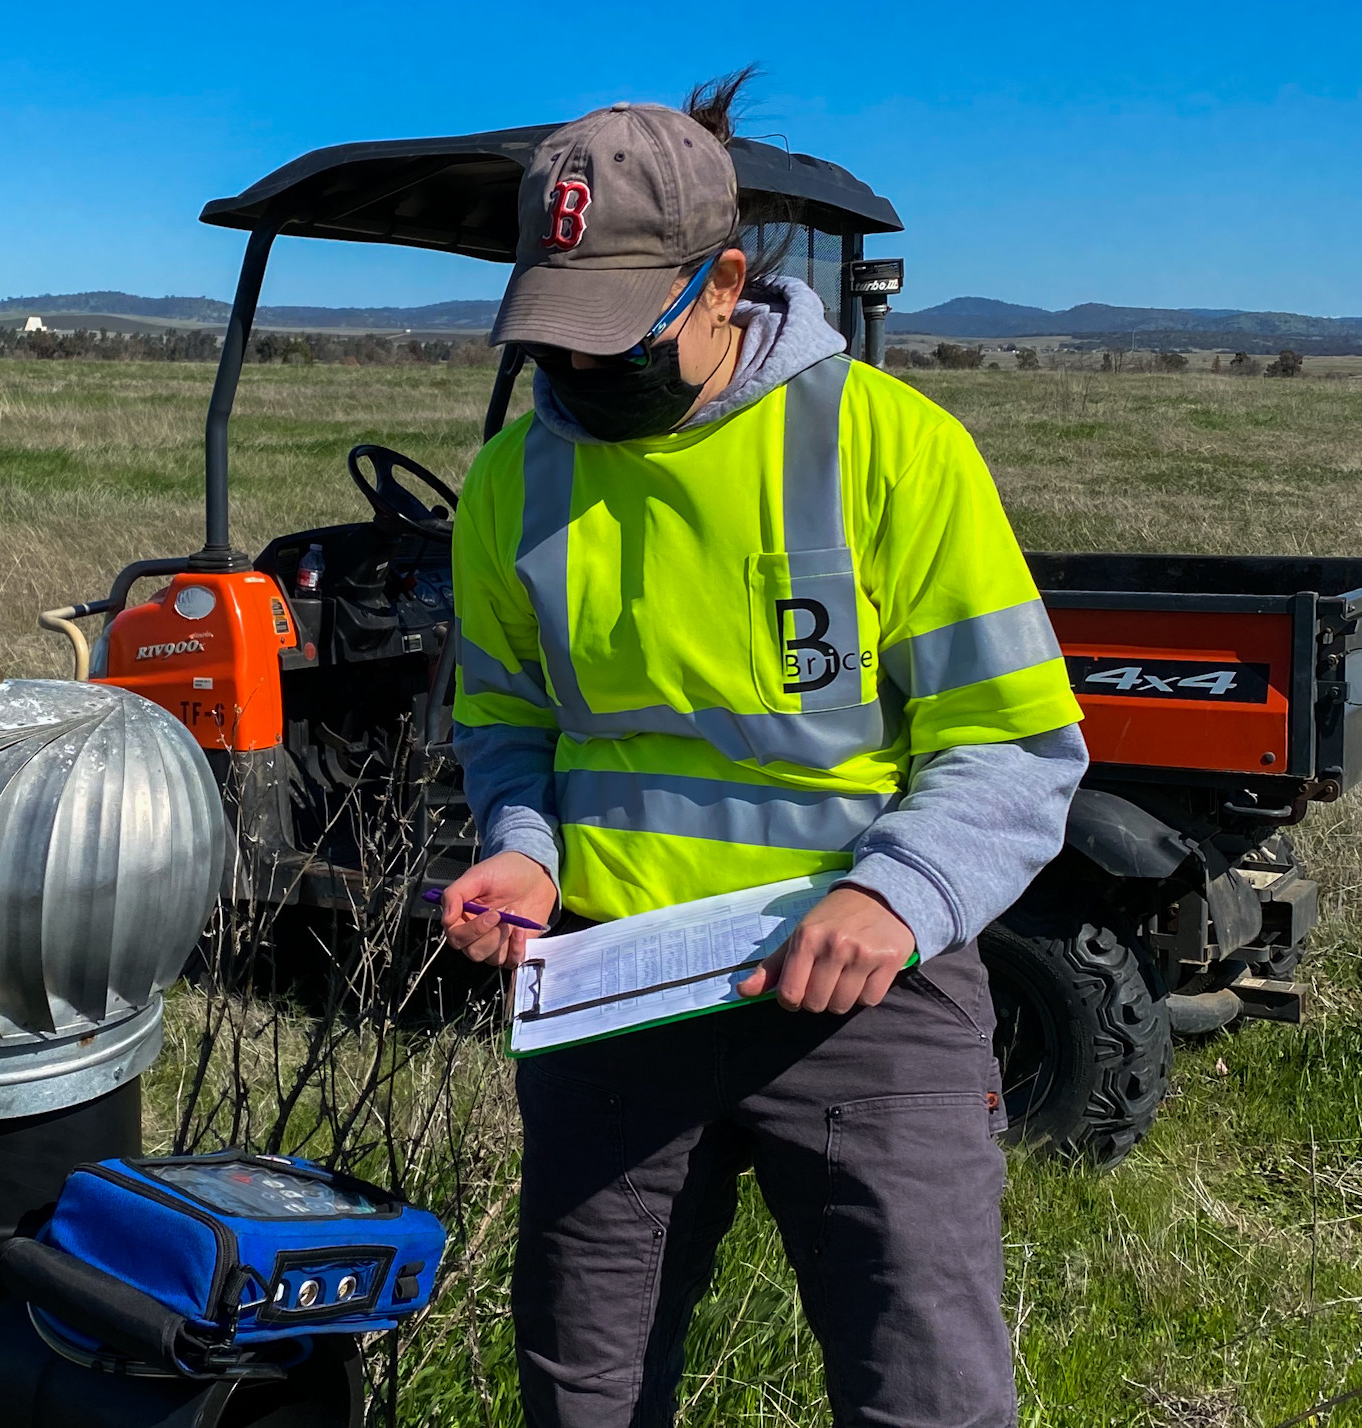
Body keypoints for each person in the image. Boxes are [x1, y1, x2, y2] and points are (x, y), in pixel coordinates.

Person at [441, 71, 1088, 1428]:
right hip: (614, 991)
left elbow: (1017, 747)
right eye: (554, 338)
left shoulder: (890, 449)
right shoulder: (513, 481)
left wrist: (890, 896)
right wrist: (519, 851)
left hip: (865, 1001)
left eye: (616, 334)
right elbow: (508, 721)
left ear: (724, 280)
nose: (578, 372)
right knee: (585, 1387)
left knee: (925, 1389)